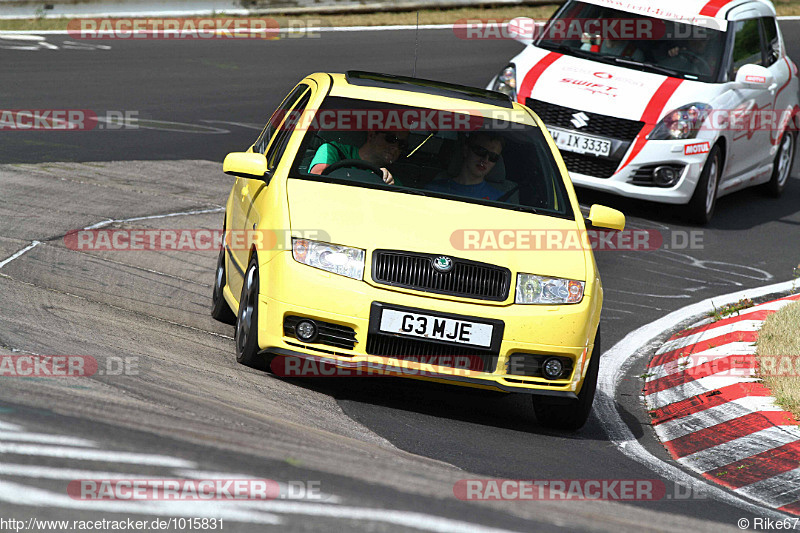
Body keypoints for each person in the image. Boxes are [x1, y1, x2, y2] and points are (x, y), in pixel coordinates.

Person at [309, 130, 409, 185]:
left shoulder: (392, 181)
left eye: (402, 145)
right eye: (391, 139)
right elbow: (316, 180)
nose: (395, 147)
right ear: (372, 135)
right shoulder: (333, 150)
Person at [426, 132, 504, 201]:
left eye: (493, 157)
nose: (485, 159)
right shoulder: (434, 190)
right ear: (466, 150)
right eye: (481, 151)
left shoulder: (500, 200)